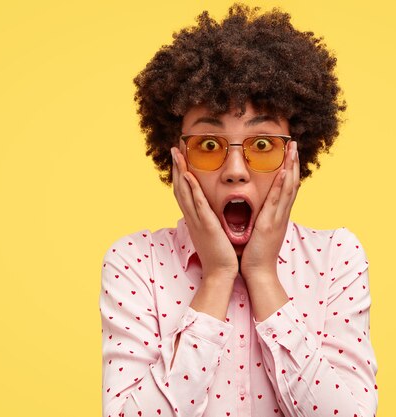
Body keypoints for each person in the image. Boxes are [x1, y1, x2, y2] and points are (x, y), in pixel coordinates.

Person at [99, 4, 378, 417]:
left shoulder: (336, 258)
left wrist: (263, 274)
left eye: (262, 145)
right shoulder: (136, 263)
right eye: (209, 145)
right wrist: (216, 278)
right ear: (177, 155)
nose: (234, 172)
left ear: (295, 155)